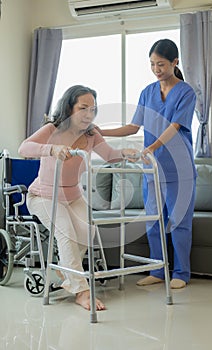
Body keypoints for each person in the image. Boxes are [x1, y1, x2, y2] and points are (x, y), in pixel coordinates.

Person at [18, 85, 139, 310]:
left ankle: (67, 270)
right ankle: (81, 292)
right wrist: (52, 150)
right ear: (69, 107)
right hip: (44, 196)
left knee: (87, 231)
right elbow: (24, 148)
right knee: (66, 231)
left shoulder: (92, 134)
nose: (88, 114)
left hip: (73, 196)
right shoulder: (52, 129)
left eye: (92, 109)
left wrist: (125, 153)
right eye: (83, 108)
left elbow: (110, 155)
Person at [97, 39, 197, 289]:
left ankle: (181, 274)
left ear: (175, 62)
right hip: (153, 169)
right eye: (152, 64)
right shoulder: (147, 92)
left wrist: (151, 147)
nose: (156, 69)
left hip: (179, 169)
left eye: (161, 64)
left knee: (179, 221)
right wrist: (101, 133)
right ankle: (157, 270)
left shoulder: (186, 92)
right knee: (153, 220)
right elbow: (133, 127)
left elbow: (175, 126)